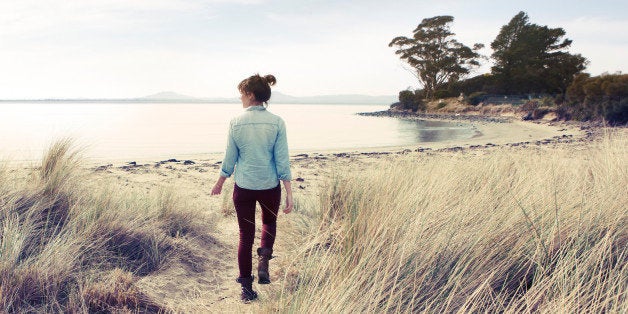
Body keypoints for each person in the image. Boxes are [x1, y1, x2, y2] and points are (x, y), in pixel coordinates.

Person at [211, 73, 293, 303]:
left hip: (244, 186)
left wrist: (220, 182)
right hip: (269, 185)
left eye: (241, 94)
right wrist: (289, 192)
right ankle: (264, 260)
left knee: (245, 237)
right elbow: (282, 159)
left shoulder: (236, 122)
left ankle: (246, 290)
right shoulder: (277, 122)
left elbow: (230, 158)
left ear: (250, 94)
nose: (240, 99)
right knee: (269, 222)